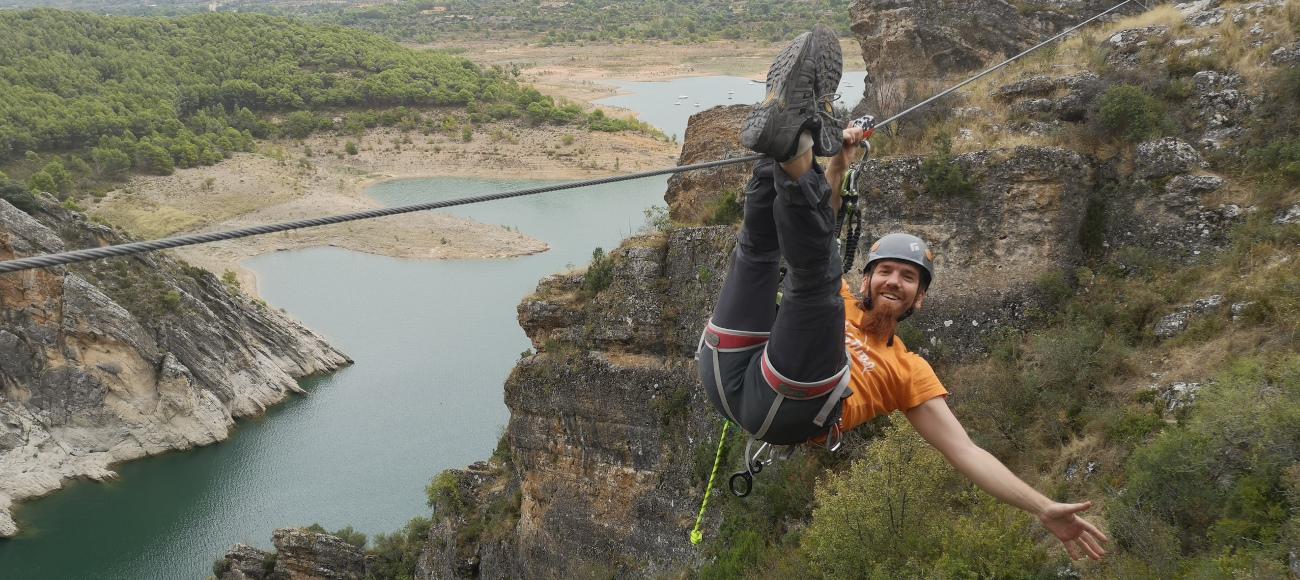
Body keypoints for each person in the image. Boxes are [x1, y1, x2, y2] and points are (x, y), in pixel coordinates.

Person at [697, 25, 1109, 561]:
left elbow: (965, 451)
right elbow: (824, 220)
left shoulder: (908, 372)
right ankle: (781, 147)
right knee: (757, 249)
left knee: (812, 283)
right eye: (885, 271)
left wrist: (1040, 505)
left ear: (919, 299)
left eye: (908, 277)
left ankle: (793, 146)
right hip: (726, 373)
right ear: (865, 280)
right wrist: (839, 163)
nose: (893, 280)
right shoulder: (846, 299)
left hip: (786, 409)